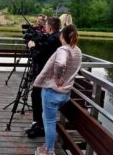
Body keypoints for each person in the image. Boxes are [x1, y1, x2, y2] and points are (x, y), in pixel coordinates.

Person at [34, 24, 82, 155]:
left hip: (52, 92)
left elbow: (60, 63)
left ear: (63, 36)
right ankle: (48, 144)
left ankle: (49, 151)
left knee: (49, 121)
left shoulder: (63, 49)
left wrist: (57, 77)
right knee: (47, 117)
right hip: (65, 93)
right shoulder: (77, 50)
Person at [26, 17, 62, 138]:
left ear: (50, 27)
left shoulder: (52, 40)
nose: (44, 27)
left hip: (45, 75)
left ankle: (38, 126)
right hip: (52, 75)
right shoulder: (58, 37)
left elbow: (37, 57)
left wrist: (31, 47)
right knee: (40, 99)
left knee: (36, 97)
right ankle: (39, 125)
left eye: (46, 25)